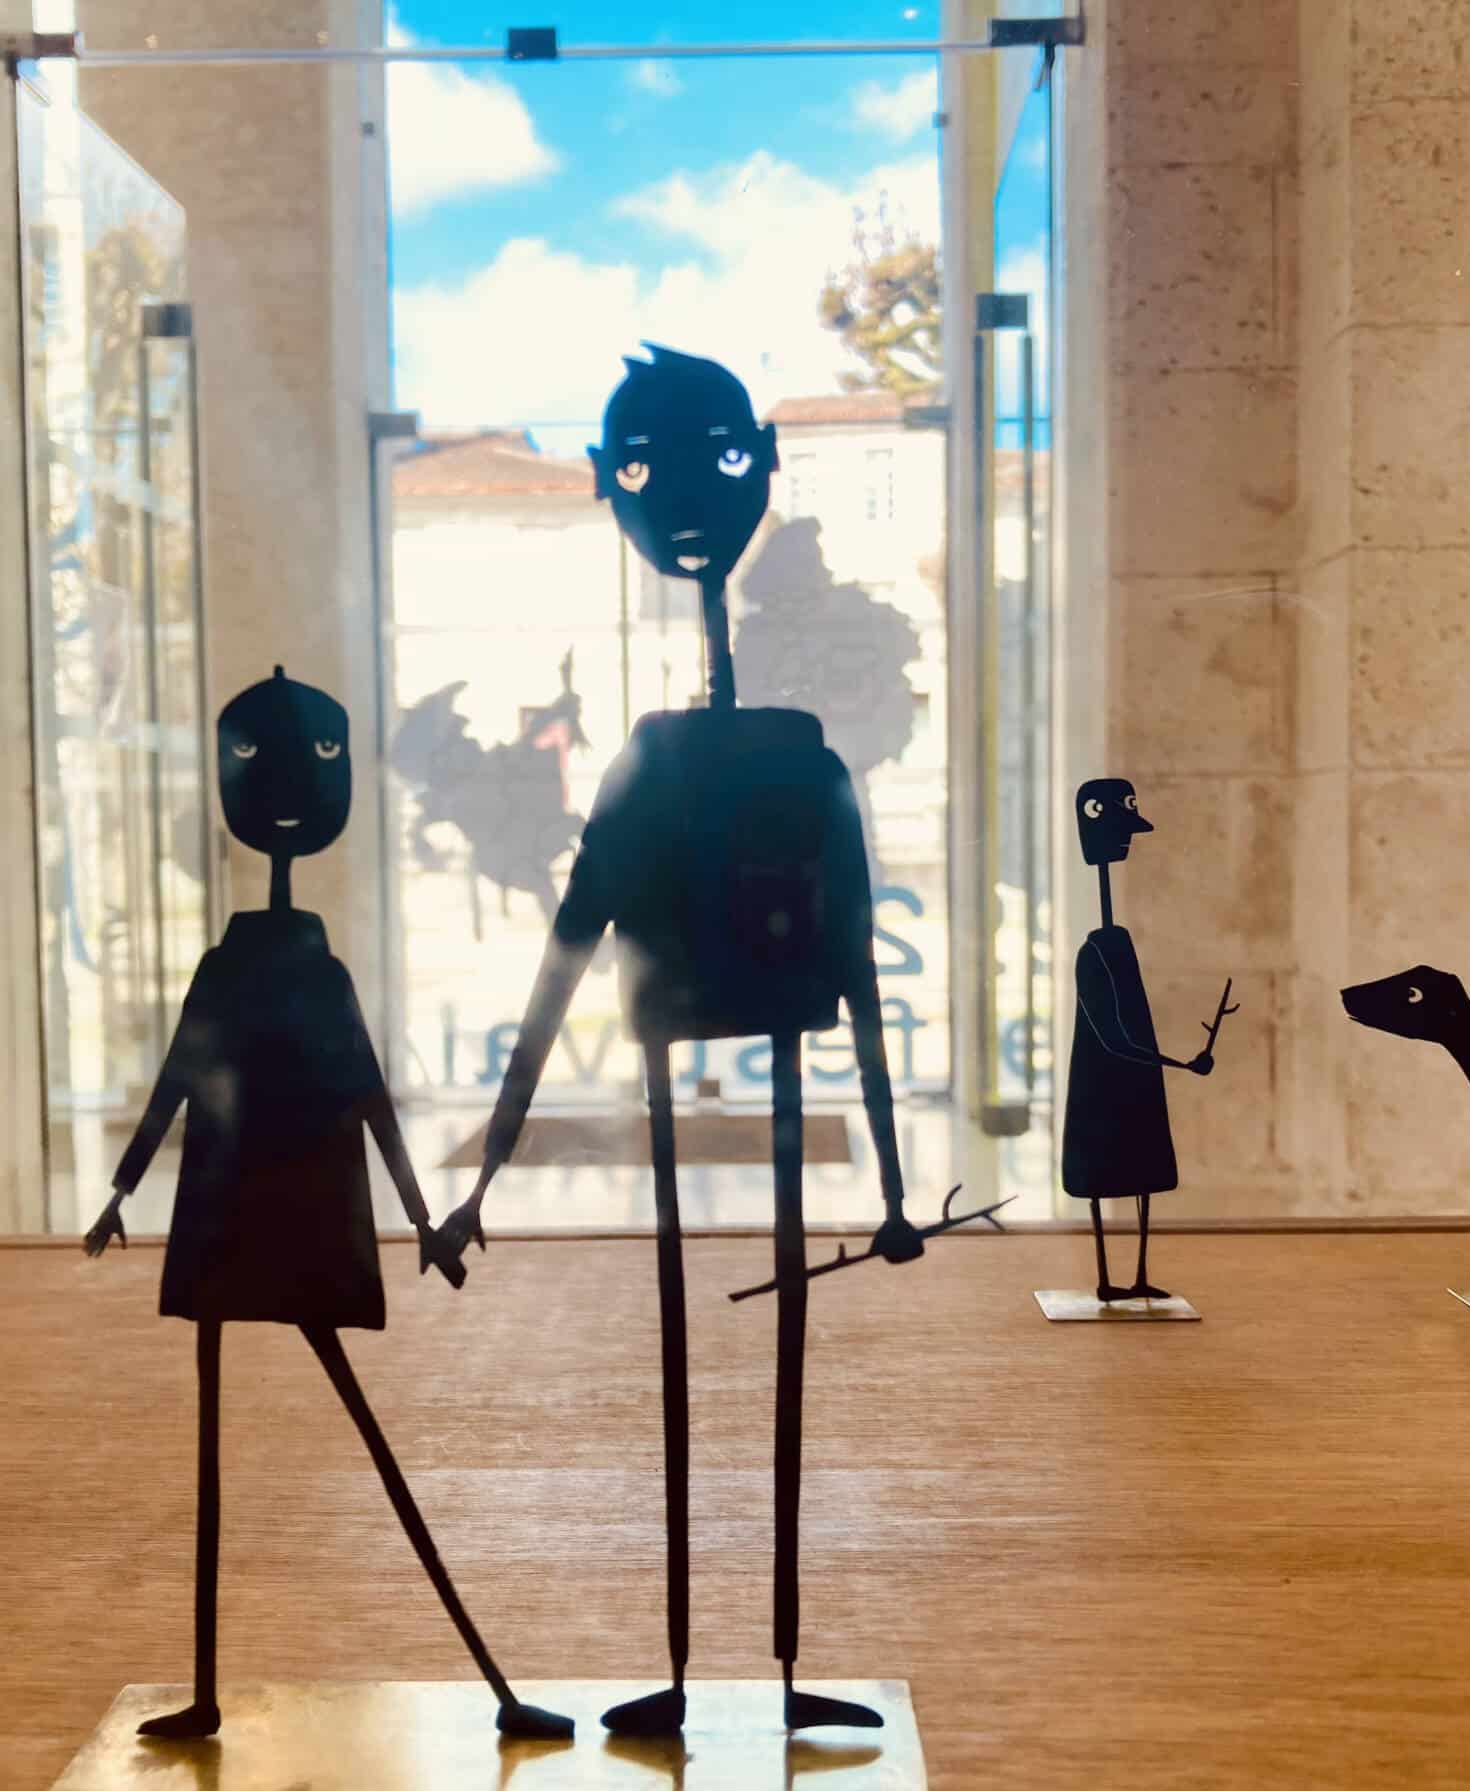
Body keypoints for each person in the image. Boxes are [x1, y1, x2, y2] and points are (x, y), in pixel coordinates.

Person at [441, 346, 926, 1738]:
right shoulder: (679, 763)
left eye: (715, 461)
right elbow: (569, 956)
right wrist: (488, 1173)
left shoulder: (786, 759)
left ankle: (773, 1666)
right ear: (610, 484)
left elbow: (849, 955)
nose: (687, 500)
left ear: (760, 466)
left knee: (768, 1352)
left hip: (747, 1027)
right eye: (650, 467)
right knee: (680, 1344)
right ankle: (686, 1663)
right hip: (685, 1033)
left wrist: (896, 1183)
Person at [85, 667, 571, 1744]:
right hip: (264, 1204)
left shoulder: (281, 968)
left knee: (310, 1442)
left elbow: (349, 1093)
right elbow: (199, 1081)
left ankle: (490, 1685)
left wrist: (421, 1218)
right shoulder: (264, 966)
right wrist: (122, 1190)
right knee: (239, 1451)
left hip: (256, 1205)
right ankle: (227, 1691)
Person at [1062, 777, 1236, 1302]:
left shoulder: (1118, 944)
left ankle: (1137, 1277)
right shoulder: (1097, 952)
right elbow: (1112, 1037)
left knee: (1141, 1176)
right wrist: (1179, 1064)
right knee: (1102, 1178)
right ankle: (1107, 1280)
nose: (1126, 843)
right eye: (1119, 832)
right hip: (1107, 1085)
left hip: (1133, 1085)